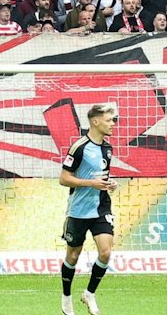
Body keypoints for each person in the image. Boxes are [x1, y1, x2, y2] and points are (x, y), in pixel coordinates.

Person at [58, 104, 118, 315]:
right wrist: (91, 183)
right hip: (79, 209)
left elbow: (100, 177)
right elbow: (64, 179)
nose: (113, 124)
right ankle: (66, 297)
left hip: (101, 205)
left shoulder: (108, 148)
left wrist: (109, 184)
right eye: (110, 120)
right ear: (96, 121)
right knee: (73, 256)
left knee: (106, 251)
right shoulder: (79, 147)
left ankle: (89, 294)